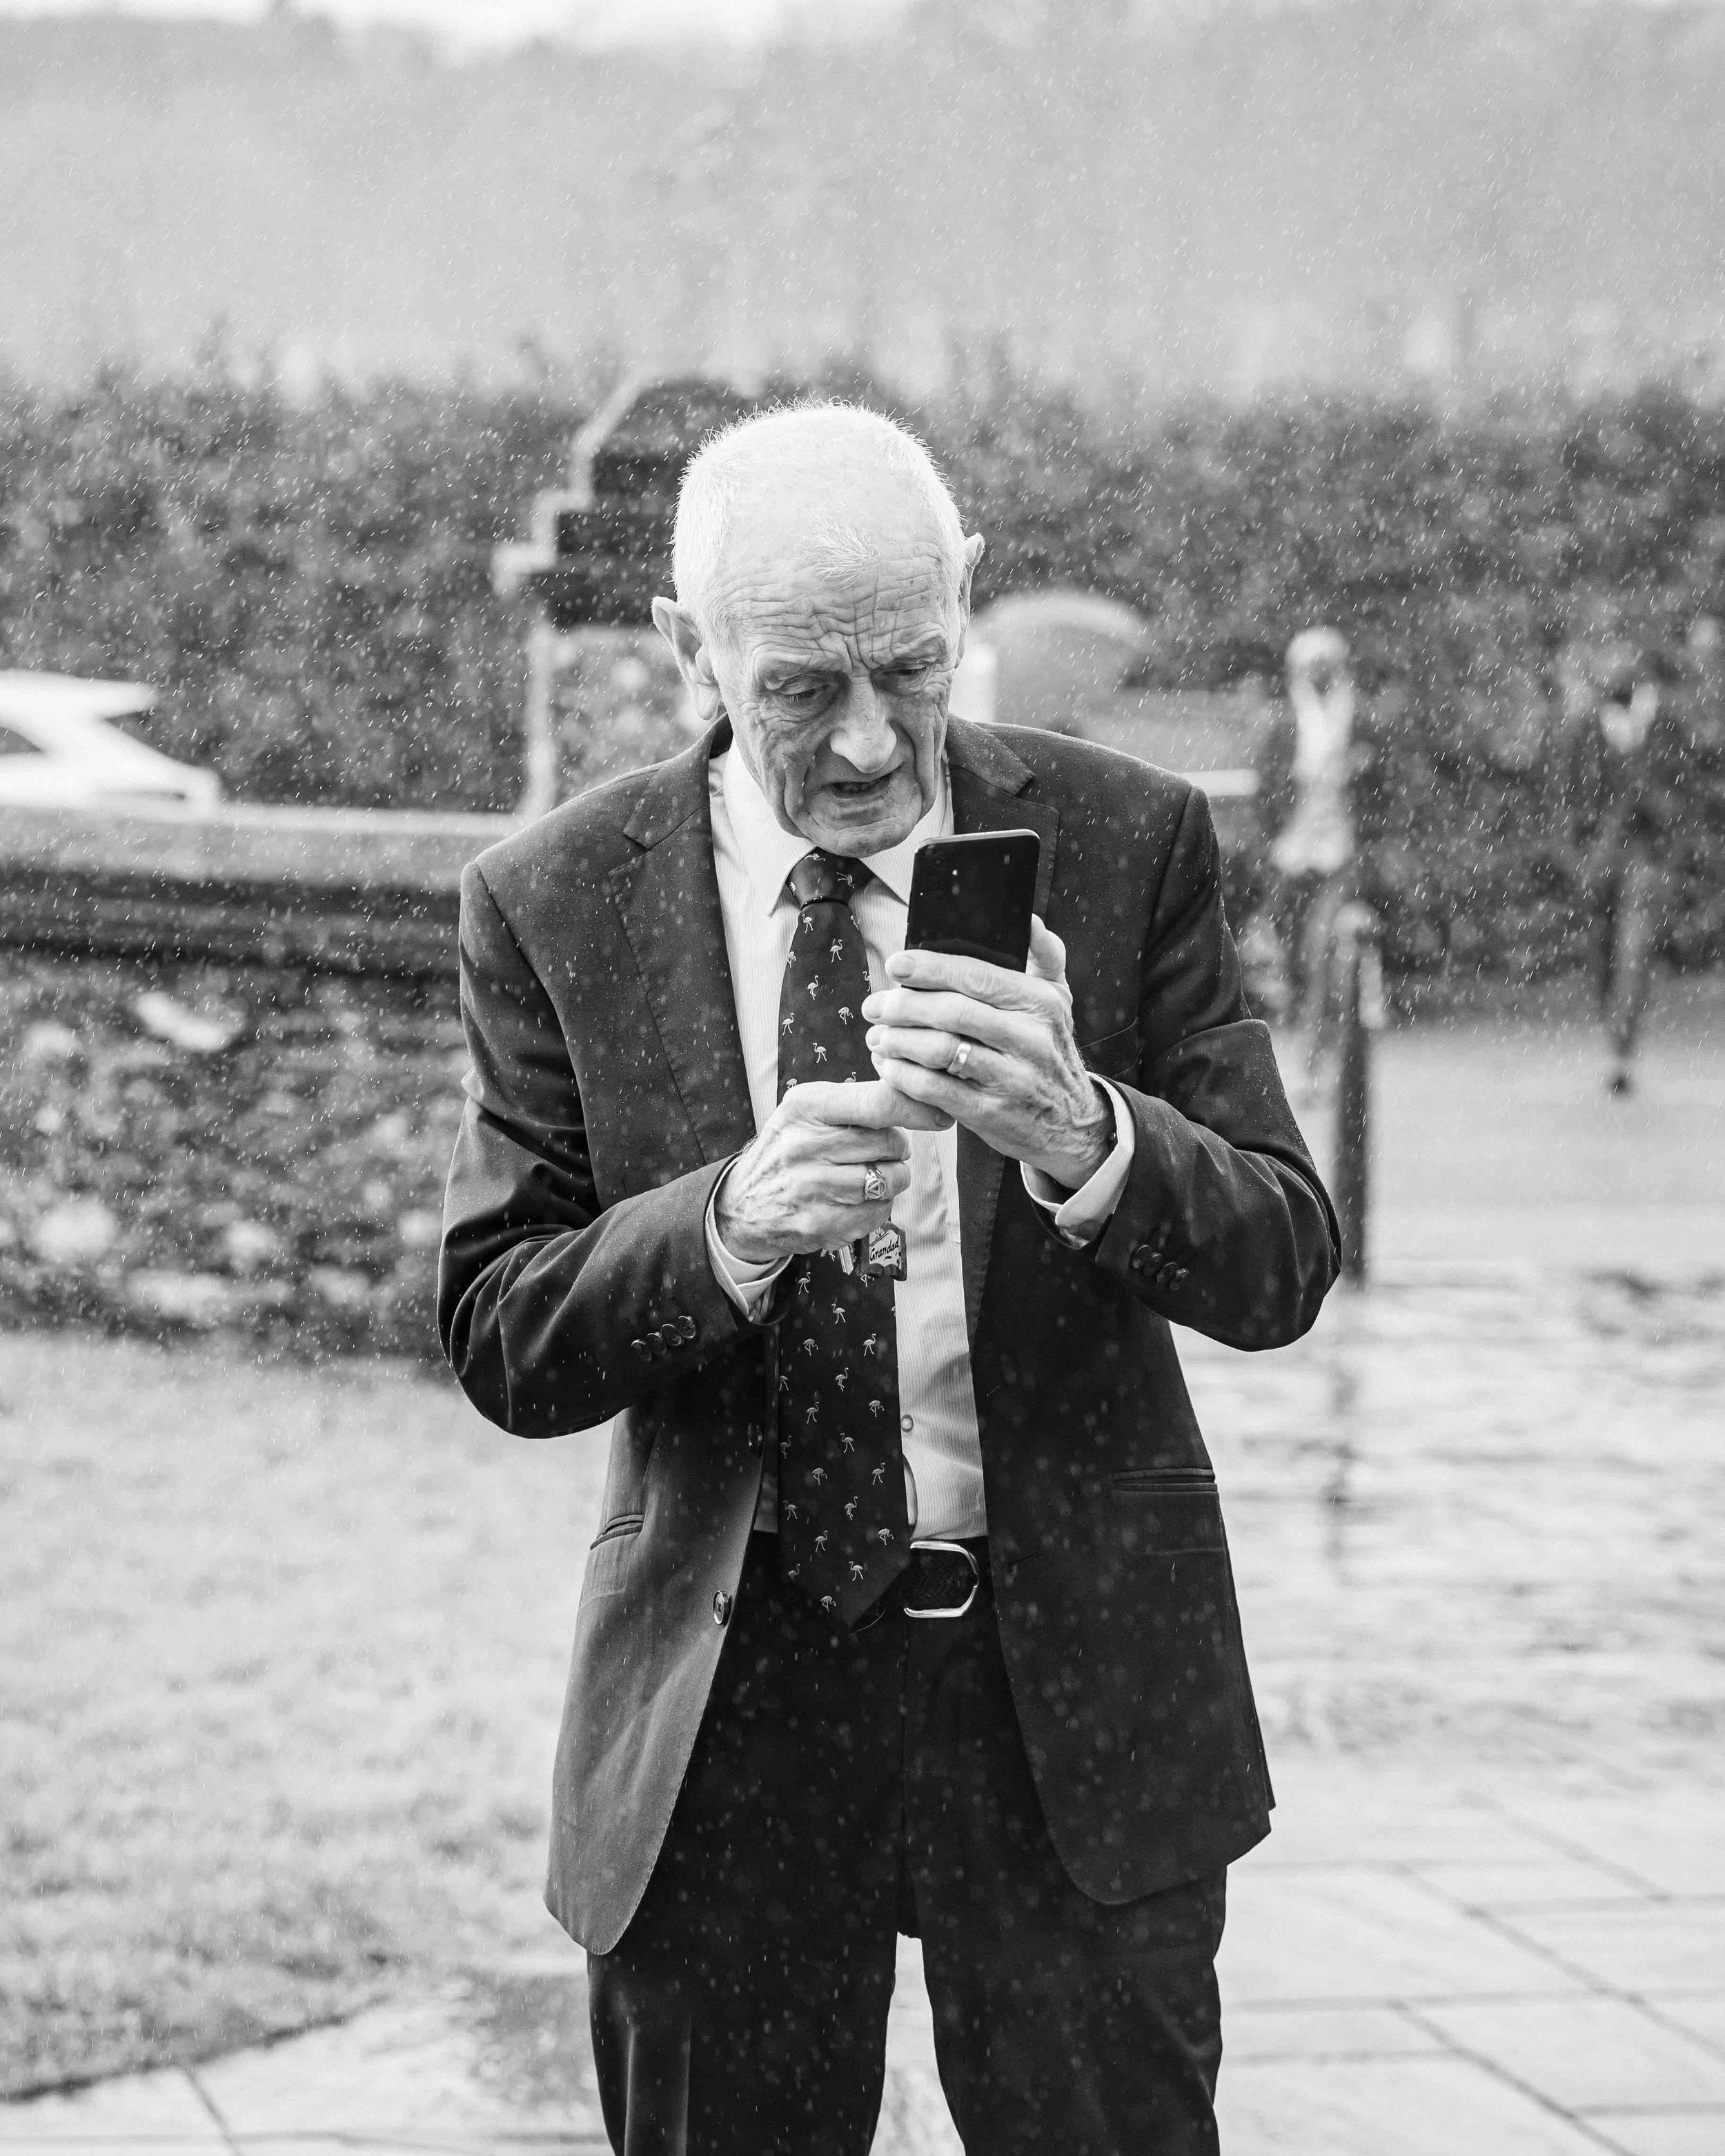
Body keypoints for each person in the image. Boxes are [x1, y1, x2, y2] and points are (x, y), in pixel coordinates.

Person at [438, 403, 1338, 2156]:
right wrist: (728, 1224)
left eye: (910, 669)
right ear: (688, 646)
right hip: (731, 1692)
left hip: (1068, 1671)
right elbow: (501, 1331)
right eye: (798, 687)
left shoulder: (1124, 837)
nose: (866, 742)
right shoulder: (555, 899)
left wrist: (1087, 1134)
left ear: (964, 604)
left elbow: (1282, 1257)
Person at [1552, 640, 1689, 1096]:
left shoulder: (1663, 726)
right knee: (1603, 957)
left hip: (1645, 856)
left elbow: (1680, 797)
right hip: (1598, 859)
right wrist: (1577, 859)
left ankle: (1622, 1051)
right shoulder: (1586, 728)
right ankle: (1615, 1030)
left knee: (1634, 951)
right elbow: (1567, 803)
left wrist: (1642, 783)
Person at [1252, 627, 1383, 1094]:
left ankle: (1310, 1061)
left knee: (1321, 951)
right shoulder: (1284, 720)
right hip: (1291, 857)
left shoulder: (1360, 719)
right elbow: (1265, 791)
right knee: (1291, 962)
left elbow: (1381, 788)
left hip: (1339, 855)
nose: (1320, 675)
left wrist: (1357, 777)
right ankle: (1305, 1049)